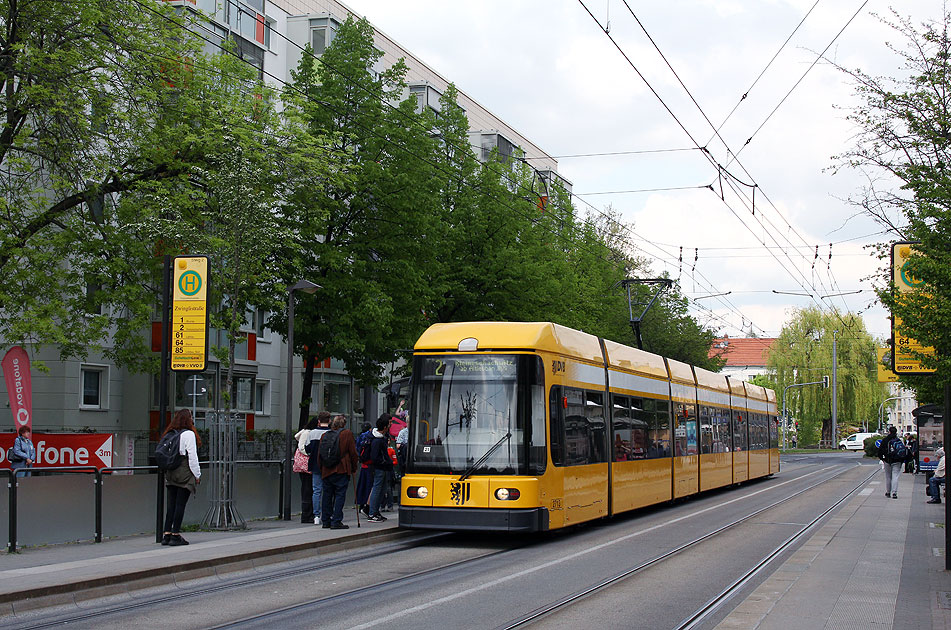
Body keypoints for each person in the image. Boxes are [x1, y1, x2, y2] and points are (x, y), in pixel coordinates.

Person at [161, 409, 201, 546]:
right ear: (188, 419)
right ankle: (175, 535)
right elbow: (192, 456)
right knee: (180, 504)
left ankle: (166, 534)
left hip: (171, 470)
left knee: (171, 504)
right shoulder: (188, 434)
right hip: (184, 471)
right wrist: (197, 474)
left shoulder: (171, 433)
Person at [318, 415, 358, 529]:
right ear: (344, 424)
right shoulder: (347, 434)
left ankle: (326, 520)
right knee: (340, 494)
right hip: (342, 469)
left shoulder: (325, 435)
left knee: (327, 495)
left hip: (326, 470)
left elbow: (319, 454)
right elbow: (353, 453)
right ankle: (336, 520)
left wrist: (321, 468)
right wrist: (354, 467)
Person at [294, 415, 321, 523]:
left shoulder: (305, 432)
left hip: (305, 465)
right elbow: (301, 447)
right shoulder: (307, 433)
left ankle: (308, 514)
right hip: (306, 465)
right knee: (307, 489)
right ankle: (306, 515)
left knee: (308, 488)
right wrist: (310, 454)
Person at [367, 416, 394, 523]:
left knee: (381, 489)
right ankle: (372, 513)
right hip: (379, 468)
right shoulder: (378, 440)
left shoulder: (379, 437)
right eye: (389, 423)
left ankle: (375, 512)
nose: (391, 425)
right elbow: (375, 457)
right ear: (385, 426)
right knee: (377, 489)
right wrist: (385, 462)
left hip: (381, 467)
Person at [306, 412, 330, 525]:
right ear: (329, 420)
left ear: (319, 421)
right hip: (329, 465)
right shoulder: (331, 433)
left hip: (315, 464)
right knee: (328, 490)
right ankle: (327, 513)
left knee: (316, 491)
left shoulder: (312, 433)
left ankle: (316, 515)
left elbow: (307, 449)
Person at [878, 426, 905, 499]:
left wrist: (882, 458)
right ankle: (894, 493)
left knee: (888, 477)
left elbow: (880, 451)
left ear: (889, 432)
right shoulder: (899, 440)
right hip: (897, 461)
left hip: (887, 460)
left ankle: (888, 492)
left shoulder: (885, 440)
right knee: (895, 476)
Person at [354, 422, 374, 516]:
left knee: (362, 485)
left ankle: (361, 504)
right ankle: (367, 505)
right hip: (369, 464)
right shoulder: (370, 436)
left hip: (363, 464)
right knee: (369, 486)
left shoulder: (359, 437)